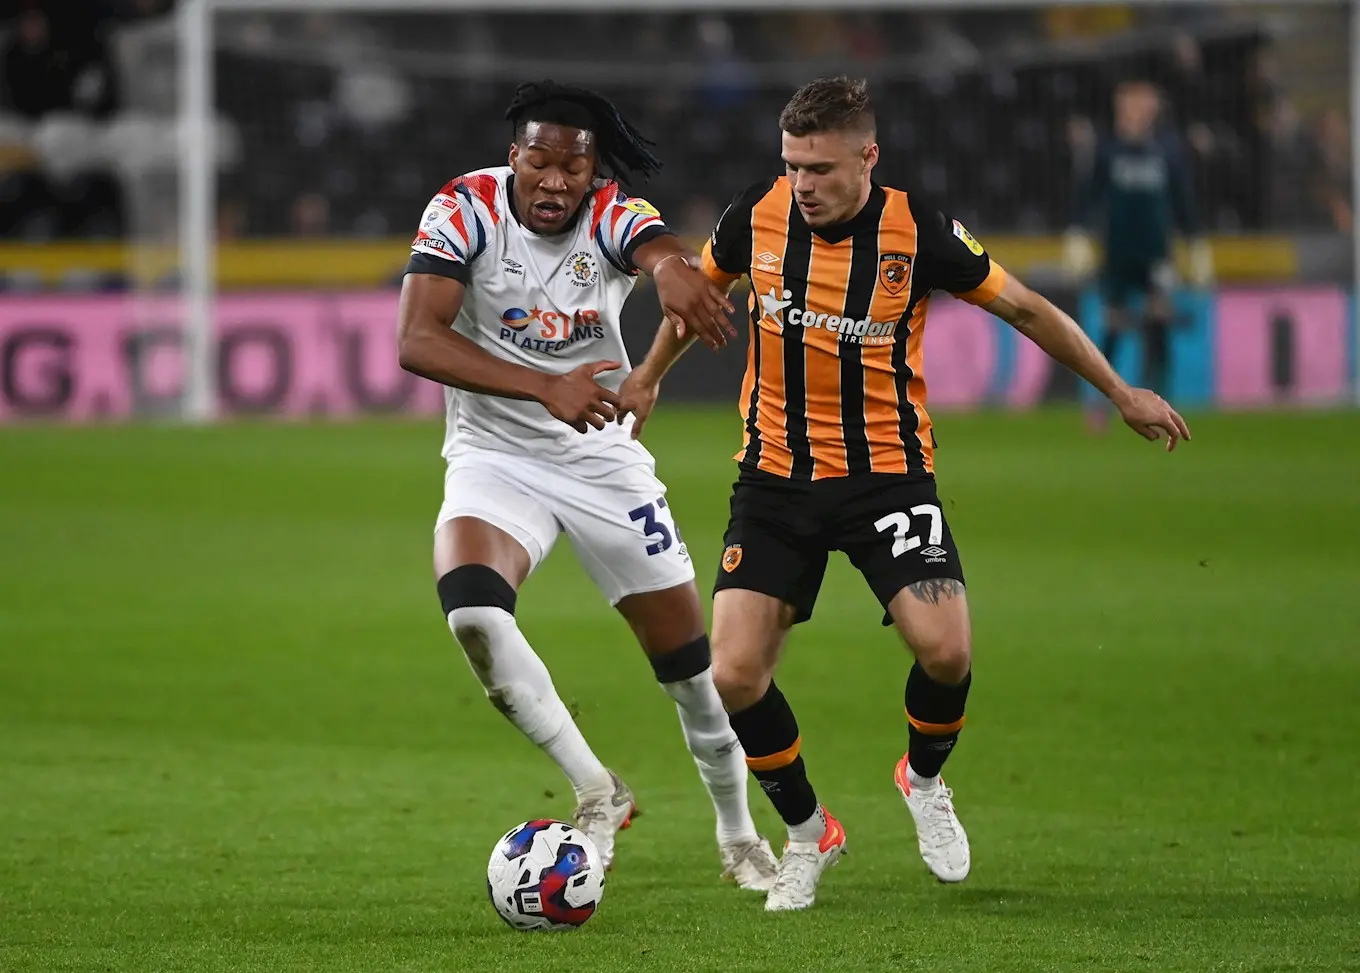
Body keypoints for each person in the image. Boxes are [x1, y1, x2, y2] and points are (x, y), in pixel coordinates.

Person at [617, 76, 1191, 911]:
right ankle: (809, 833)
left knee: (947, 652)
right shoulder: (757, 214)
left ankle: (922, 779)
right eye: (792, 164)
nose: (802, 183)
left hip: (886, 476)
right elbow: (696, 300)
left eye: (819, 167)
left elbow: (1028, 310)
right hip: (775, 479)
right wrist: (647, 378)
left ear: (867, 158)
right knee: (734, 673)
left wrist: (1119, 390)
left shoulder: (917, 230)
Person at [395, 80, 777, 889]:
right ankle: (598, 789)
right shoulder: (464, 209)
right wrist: (543, 386)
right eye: (539, 162)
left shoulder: (610, 212)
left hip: (602, 457)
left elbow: (656, 247)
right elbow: (417, 339)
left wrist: (672, 269)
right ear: (514, 157)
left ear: (592, 171)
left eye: (573, 167)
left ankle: (738, 832)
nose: (555, 181)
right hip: (495, 455)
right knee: (473, 613)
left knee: (689, 670)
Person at [1064, 79, 1213, 429]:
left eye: (1144, 102)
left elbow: (1183, 198)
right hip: (1118, 252)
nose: (1138, 109)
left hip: (1156, 253)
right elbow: (1089, 194)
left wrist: (1196, 244)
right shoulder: (1106, 148)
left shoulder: (1167, 148)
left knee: (1159, 324)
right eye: (1131, 101)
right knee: (1113, 327)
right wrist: (1078, 233)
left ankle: (1161, 403)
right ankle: (1101, 404)